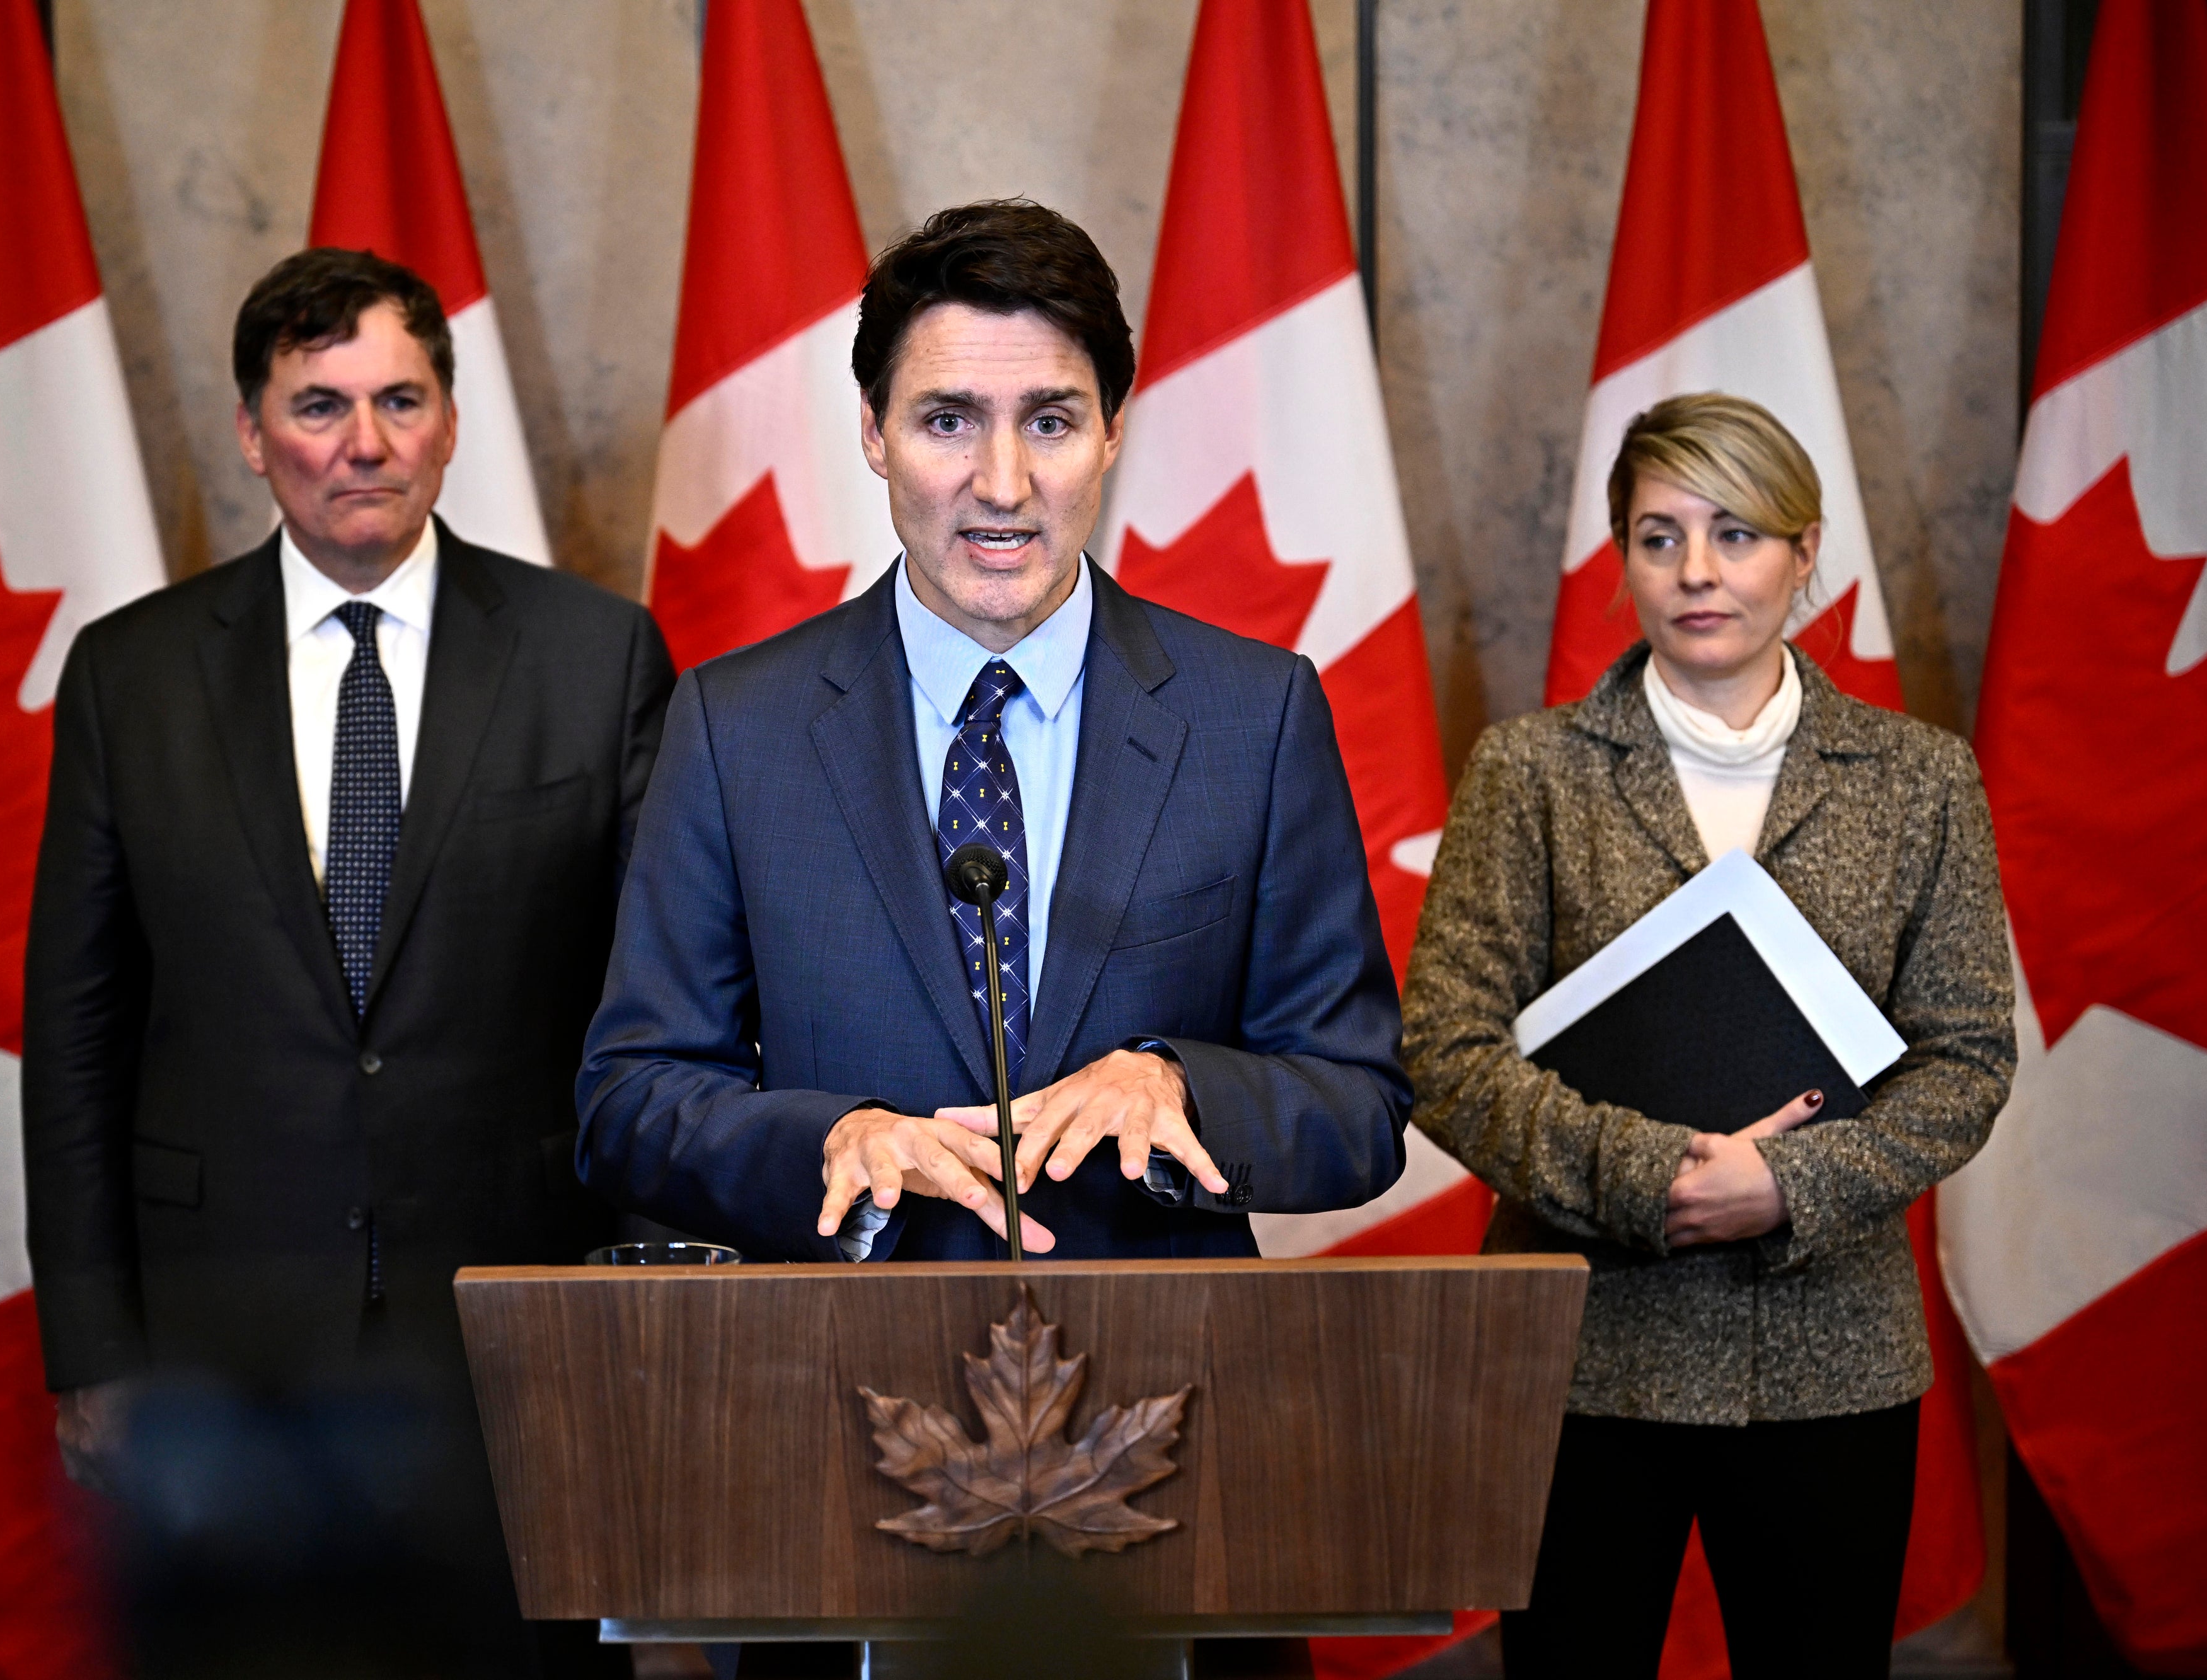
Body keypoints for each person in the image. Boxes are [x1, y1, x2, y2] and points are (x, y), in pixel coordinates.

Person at [22, 248, 672, 1675]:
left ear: (448, 421)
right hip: (219, 1337)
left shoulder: (595, 657)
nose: (362, 444)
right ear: (252, 434)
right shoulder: (128, 676)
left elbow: (657, 1016)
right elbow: (76, 1031)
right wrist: (94, 1348)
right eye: (319, 405)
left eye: (399, 399)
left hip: (516, 1334)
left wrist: (641, 1333)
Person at [578, 200, 1410, 1262]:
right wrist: (829, 1142)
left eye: (1051, 421)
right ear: (874, 433)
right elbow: (631, 1104)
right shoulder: (737, 726)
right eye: (948, 421)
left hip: (1166, 1383)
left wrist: (1180, 1088)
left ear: (1114, 429)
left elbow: (1359, 1107)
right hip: (837, 1384)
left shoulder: (1254, 714)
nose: (1004, 484)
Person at [1400, 393, 2015, 1678]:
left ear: (1803, 555)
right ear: (1618, 557)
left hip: (1829, 1358)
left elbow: (1963, 1060)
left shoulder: (1918, 778)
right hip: (1579, 1356)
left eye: (1733, 534)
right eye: (1656, 534)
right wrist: (1652, 1181)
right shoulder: (1530, 771)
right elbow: (1446, 1051)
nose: (1694, 572)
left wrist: (1780, 1185)